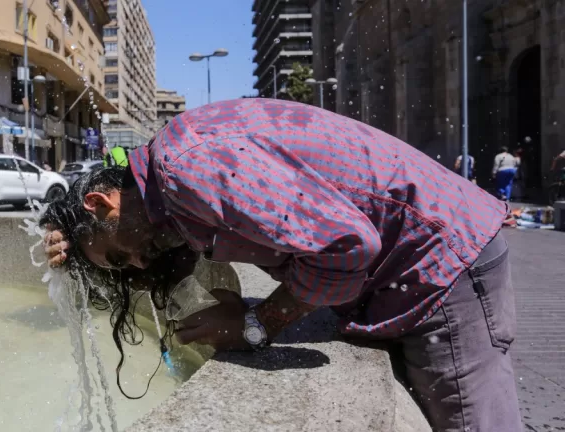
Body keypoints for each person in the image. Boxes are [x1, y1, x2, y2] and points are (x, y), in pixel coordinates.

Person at [43, 99, 521, 432]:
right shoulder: (172, 170)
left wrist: (256, 325)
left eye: (119, 255)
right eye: (123, 266)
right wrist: (71, 247)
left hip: (440, 265)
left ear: (100, 202)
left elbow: (346, 248)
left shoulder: (186, 169)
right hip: (423, 264)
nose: (136, 262)